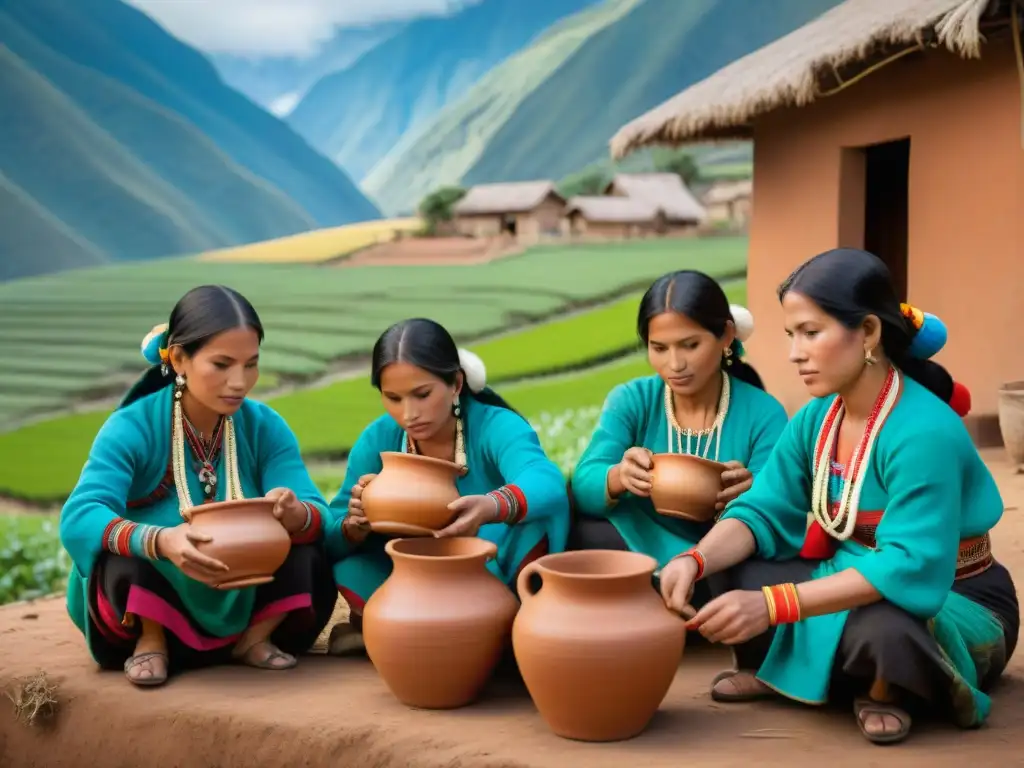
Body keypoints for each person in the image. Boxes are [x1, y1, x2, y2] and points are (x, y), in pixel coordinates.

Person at [658, 248, 1018, 745]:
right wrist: (694, 560)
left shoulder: (923, 432)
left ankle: (881, 686)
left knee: (884, 627)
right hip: (850, 575)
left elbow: (908, 566)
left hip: (953, 599)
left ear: (868, 332)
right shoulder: (818, 417)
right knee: (736, 564)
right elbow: (763, 507)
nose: (794, 353)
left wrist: (774, 606)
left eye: (811, 332)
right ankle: (794, 669)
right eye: (791, 335)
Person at [59, 285, 338, 688]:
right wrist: (158, 540)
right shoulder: (132, 427)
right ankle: (152, 639)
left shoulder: (264, 427)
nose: (239, 382)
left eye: (251, 365)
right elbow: (80, 516)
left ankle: (254, 638)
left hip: (247, 589)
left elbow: (319, 514)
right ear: (179, 359)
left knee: (310, 553)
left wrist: (296, 513)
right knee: (120, 558)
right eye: (222, 364)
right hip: (161, 585)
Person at [325, 318, 570, 655]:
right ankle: (435, 638)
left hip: (490, 573)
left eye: (422, 394)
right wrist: (353, 526)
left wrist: (491, 506)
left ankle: (399, 637)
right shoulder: (378, 439)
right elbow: (330, 531)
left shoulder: (493, 426)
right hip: (415, 579)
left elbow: (545, 480)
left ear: (455, 384)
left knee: (535, 520)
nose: (409, 413)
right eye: (393, 398)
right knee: (351, 565)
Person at [568, 270, 788, 605]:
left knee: (758, 577)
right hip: (641, 546)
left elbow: (780, 506)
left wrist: (753, 489)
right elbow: (584, 483)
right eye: (659, 348)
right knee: (584, 532)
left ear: (726, 335)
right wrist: (617, 476)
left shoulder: (764, 413)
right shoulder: (633, 399)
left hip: (720, 557)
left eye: (690, 345)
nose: (674, 364)